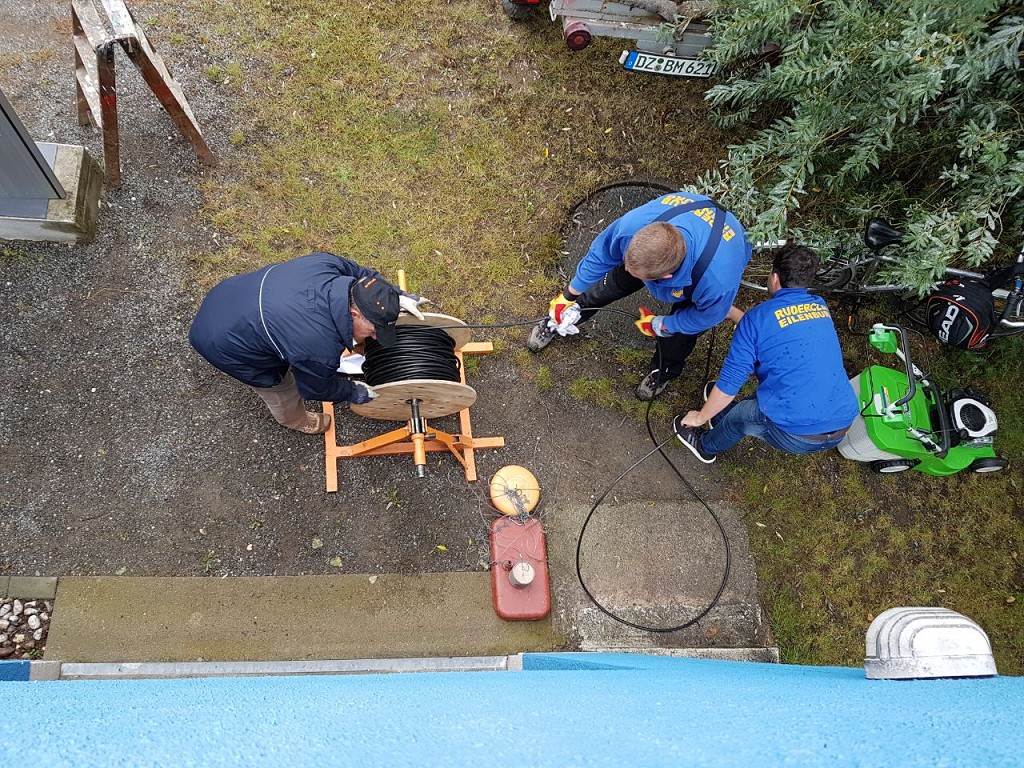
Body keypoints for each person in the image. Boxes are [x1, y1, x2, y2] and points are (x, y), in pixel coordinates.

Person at [527, 191, 752, 400]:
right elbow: (602, 253)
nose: (625, 268)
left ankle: (663, 371)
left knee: (677, 339)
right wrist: (569, 295)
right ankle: (565, 318)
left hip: (701, 272)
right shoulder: (635, 225)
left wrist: (663, 325)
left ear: (665, 277)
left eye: (635, 272)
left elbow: (707, 316)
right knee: (609, 285)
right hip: (670, 250)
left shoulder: (717, 281)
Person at [189, 252, 428, 434]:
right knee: (279, 386)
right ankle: (295, 421)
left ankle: (278, 346)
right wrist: (352, 391)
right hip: (222, 342)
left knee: (296, 351)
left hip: (230, 293)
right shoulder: (318, 347)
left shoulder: (326, 264)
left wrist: (396, 295)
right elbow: (315, 389)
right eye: (374, 330)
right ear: (354, 314)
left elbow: (364, 275)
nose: (375, 337)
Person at [673, 244, 860, 463]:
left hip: (797, 433)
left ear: (774, 278)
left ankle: (706, 446)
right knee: (782, 382)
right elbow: (772, 329)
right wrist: (731, 312)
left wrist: (699, 417)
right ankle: (722, 414)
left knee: (741, 417)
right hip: (843, 420)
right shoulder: (819, 305)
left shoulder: (757, 319)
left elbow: (729, 386)